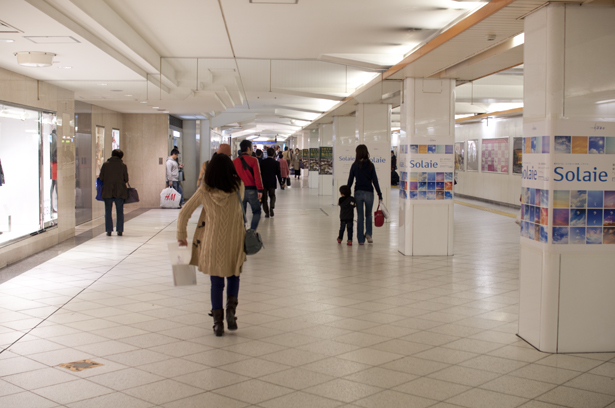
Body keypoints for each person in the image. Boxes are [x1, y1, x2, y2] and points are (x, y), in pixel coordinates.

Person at [177, 154, 245, 337]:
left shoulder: (204, 190)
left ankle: (218, 323)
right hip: (234, 240)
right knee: (233, 275)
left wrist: (181, 236)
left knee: (216, 283)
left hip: (212, 241)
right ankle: (231, 312)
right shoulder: (238, 186)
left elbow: (184, 213)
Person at [347, 144, 383, 245]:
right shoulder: (371, 165)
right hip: (369, 193)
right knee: (369, 215)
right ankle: (368, 234)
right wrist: (380, 194)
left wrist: (347, 194)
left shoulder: (354, 165)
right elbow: (375, 181)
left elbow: (350, 181)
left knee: (360, 216)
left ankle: (361, 240)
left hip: (358, 192)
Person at [233, 139, 264, 230]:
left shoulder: (234, 162)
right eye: (251, 148)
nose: (252, 150)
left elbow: (233, 178)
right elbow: (257, 176)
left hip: (239, 191)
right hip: (252, 190)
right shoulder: (253, 160)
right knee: (257, 211)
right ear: (248, 148)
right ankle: (252, 231)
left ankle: (242, 232)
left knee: (242, 213)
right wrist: (260, 189)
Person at [99, 149, 129, 236]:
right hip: (119, 191)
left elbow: (101, 177)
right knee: (119, 211)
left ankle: (109, 230)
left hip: (107, 191)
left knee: (108, 211)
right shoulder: (123, 166)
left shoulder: (105, 165)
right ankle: (119, 230)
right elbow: (126, 179)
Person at [260, 147, 284, 218]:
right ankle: (271, 207)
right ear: (274, 154)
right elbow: (278, 174)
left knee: (264, 198)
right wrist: (281, 183)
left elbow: (260, 173)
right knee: (272, 195)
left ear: (267, 154)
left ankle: (267, 213)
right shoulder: (276, 163)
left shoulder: (262, 162)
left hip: (264, 183)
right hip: (272, 182)